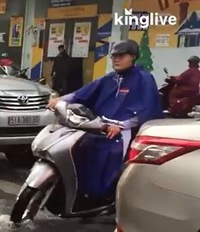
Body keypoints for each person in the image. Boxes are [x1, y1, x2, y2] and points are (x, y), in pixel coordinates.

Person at [47, 40, 163, 199]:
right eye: (114, 56)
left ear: (133, 57)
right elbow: (82, 93)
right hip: (100, 127)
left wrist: (123, 126)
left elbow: (149, 109)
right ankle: (81, 193)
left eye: (121, 56)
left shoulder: (144, 79)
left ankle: (109, 197)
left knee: (110, 155)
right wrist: (60, 100)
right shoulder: (110, 78)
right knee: (80, 146)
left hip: (125, 132)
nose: (116, 59)